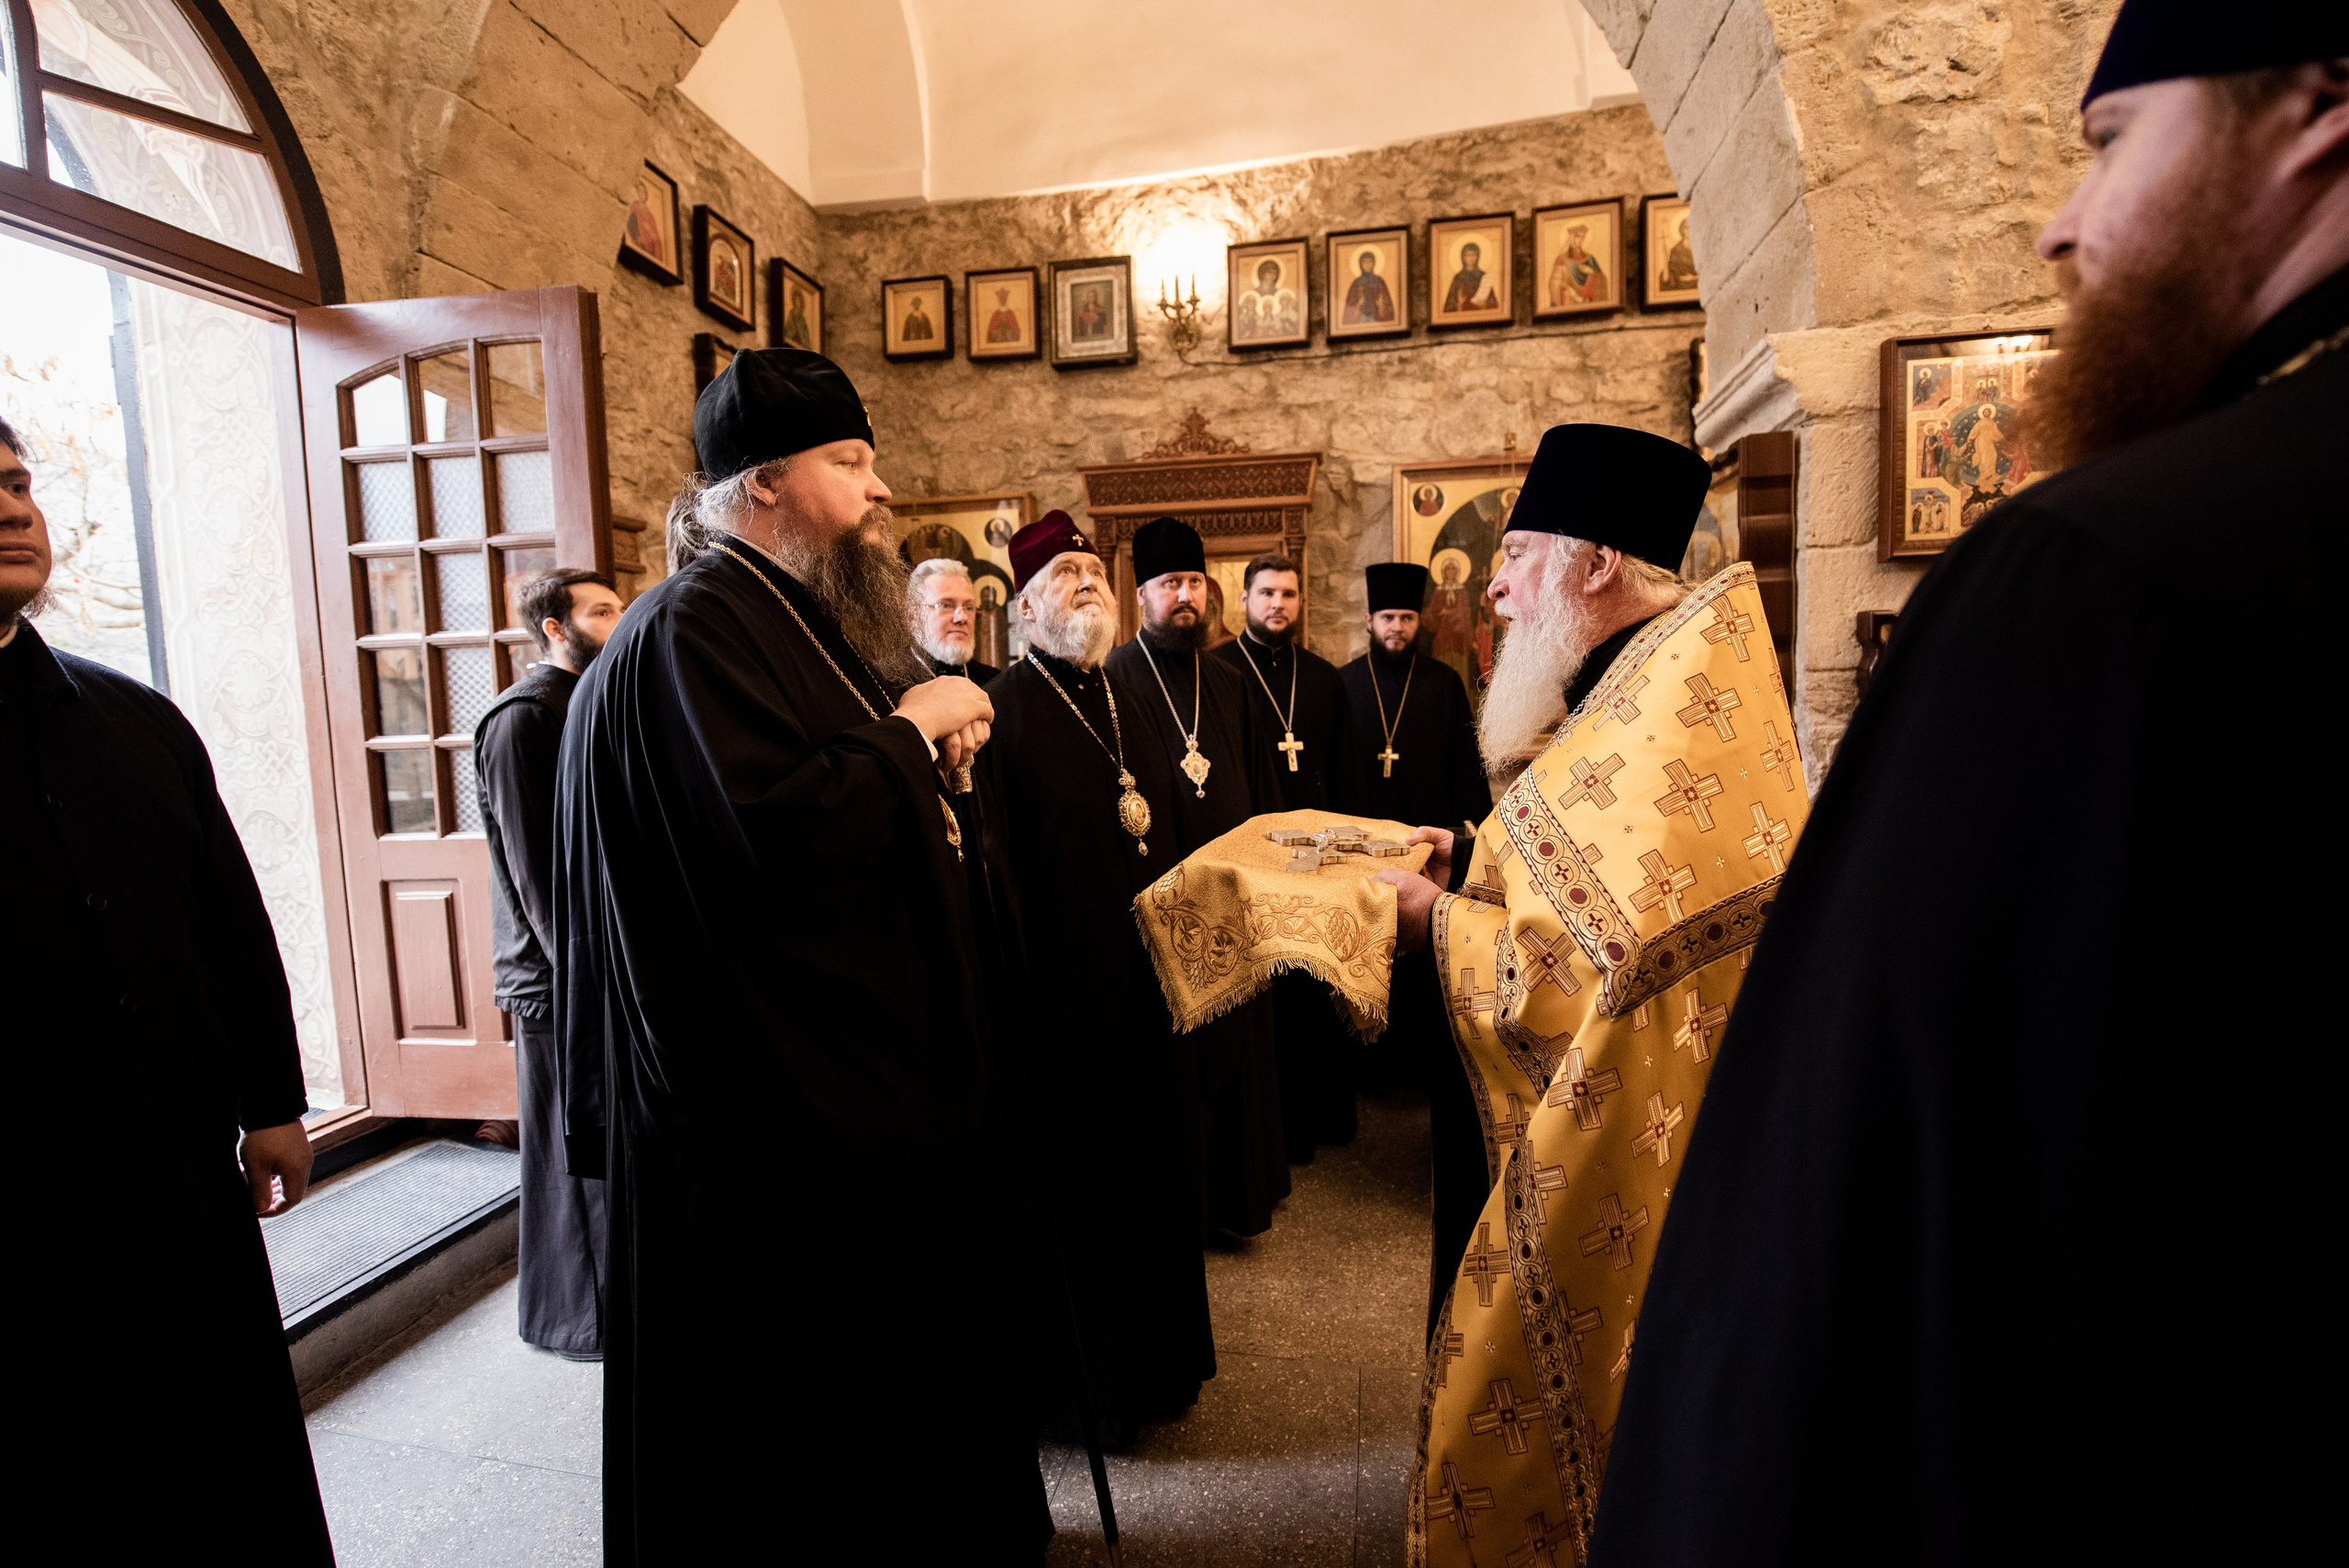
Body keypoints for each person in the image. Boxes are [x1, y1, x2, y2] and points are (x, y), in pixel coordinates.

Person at [1594, 11, 2347, 1563]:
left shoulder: (2100, 577)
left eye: (2111, 141)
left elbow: (1839, 1248)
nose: (2065, 222)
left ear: (2315, 108)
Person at [552, 349, 1048, 1562]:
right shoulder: (696, 626)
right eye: (852, 462)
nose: (881, 489)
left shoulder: (783, 615)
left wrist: (921, 764)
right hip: (760, 1128)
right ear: (765, 483)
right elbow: (770, 844)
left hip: (815, 1111)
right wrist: (908, 733)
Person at [1368, 424, 1800, 1566]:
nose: (1492, 587)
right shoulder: (1644, 683)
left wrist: (1434, 922)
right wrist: (1474, 857)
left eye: (1517, 554)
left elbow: (1578, 983)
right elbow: (1585, 884)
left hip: (1614, 1154)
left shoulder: (1657, 712)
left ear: (1596, 564)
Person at [1, 415, 334, 1561]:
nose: (14, 510)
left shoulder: (136, 720)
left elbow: (228, 925)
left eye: (18, 484)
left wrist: (272, 1101)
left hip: (169, 1190)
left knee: (211, 1472)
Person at [975, 512, 1214, 1446]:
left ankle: (1159, 1365)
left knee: (1153, 1169)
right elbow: (993, 874)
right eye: (1064, 575)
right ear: (1026, 603)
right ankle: (1086, 1395)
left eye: (1092, 572)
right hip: (1059, 1006)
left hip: (1144, 990)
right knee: (1083, 1188)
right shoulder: (1004, 709)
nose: (1085, 585)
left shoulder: (1124, 695)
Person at [1107, 516, 1291, 1238]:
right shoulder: (1117, 677)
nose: (1184, 597)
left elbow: (1260, 781)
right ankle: (1189, 1207)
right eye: (1168, 585)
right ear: (1143, 594)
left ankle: (1240, 1200)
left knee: (1239, 1046)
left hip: (1235, 895)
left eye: (1193, 583)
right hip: (1168, 904)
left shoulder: (1229, 678)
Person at [473, 566, 624, 1358]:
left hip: (600, 966)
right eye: (600, 609)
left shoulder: (590, 701)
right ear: (554, 630)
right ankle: (577, 1319)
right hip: (555, 977)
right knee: (569, 1157)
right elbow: (540, 874)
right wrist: (589, 976)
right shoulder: (521, 721)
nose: (619, 616)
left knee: (602, 1149)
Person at [1338, 561, 1492, 1296]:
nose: (1396, 628)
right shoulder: (1344, 684)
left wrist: (1469, 832)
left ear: (1417, 623)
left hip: (1429, 851)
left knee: (1426, 958)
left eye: (1406, 619)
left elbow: (1466, 764)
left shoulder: (1443, 685)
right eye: (1386, 619)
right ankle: (1370, 1069)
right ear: (1369, 622)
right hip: (1363, 846)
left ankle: (1416, 1070)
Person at [1213, 551, 1363, 1158]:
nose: (1279, 603)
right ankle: (1264, 1132)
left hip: (1318, 858)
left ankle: (1315, 1118)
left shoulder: (1324, 678)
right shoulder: (1218, 671)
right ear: (1244, 599)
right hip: (1250, 856)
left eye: (1289, 594)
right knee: (1260, 996)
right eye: (1267, 593)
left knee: (1313, 988)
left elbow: (1347, 772)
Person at [907, 555, 1000, 684]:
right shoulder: (887, 682)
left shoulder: (995, 681)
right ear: (912, 616)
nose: (962, 618)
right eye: (946, 605)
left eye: (969, 607)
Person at [1343, 248, 1397, 324]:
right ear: (1361, 264)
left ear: (1374, 263)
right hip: (1360, 317)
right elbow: (1349, 305)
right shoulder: (1356, 283)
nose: (1368, 265)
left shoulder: (1379, 282)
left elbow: (1386, 302)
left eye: (1370, 262)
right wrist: (1358, 303)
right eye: (1365, 262)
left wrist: (1380, 303)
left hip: (1377, 318)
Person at [1443, 241, 1497, 313]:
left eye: (1473, 255)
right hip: (1462, 317)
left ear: (1478, 256)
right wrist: (1458, 304)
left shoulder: (1484, 276)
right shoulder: (1458, 278)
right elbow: (1448, 306)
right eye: (1468, 255)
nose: (1471, 258)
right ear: (1463, 257)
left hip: (1481, 316)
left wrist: (1484, 304)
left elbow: (1494, 303)